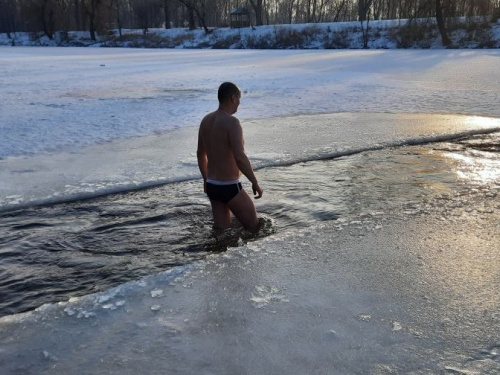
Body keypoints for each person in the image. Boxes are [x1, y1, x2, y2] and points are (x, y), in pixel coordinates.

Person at [197, 82, 263, 233]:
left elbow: (200, 154)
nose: (239, 103)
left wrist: (205, 179)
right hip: (229, 187)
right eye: (239, 99)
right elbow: (239, 157)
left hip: (212, 185)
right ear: (233, 98)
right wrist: (254, 182)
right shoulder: (232, 122)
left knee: (221, 233)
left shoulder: (205, 120)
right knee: (255, 228)